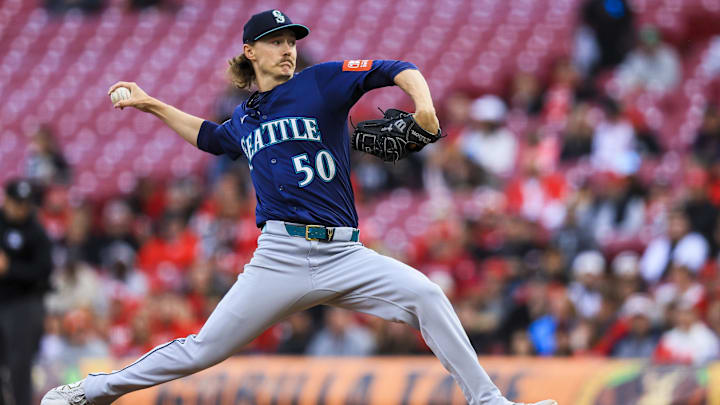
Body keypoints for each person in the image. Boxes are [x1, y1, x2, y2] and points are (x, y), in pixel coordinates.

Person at [42, 10, 557, 405]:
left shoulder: (321, 81)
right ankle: (95, 390)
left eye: (291, 41)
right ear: (251, 51)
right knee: (203, 350)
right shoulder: (246, 115)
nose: (288, 49)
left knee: (426, 295)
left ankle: (489, 401)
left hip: (345, 253)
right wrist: (150, 103)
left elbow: (399, 68)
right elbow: (210, 138)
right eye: (276, 42)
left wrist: (422, 105)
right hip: (280, 257)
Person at [0, 179, 53, 405]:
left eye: (25, 203)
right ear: (7, 201)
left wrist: (9, 268)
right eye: (17, 202)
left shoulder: (36, 231)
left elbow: (43, 271)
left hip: (24, 305)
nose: (21, 208)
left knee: (19, 365)